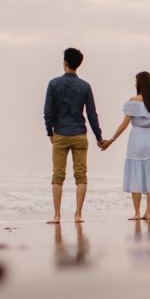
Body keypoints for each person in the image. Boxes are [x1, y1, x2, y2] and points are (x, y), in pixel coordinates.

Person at [43, 47, 107, 223]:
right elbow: (92, 115)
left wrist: (50, 132)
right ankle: (78, 214)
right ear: (78, 64)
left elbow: (48, 111)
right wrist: (99, 137)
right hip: (80, 134)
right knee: (81, 175)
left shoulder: (54, 84)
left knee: (58, 175)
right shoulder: (85, 86)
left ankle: (57, 215)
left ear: (64, 63)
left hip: (61, 134)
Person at [102, 71, 150, 221]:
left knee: (136, 175)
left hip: (136, 138)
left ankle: (137, 213)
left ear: (139, 84)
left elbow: (124, 125)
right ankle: (148, 212)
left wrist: (111, 140)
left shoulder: (133, 101)